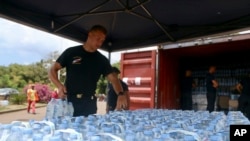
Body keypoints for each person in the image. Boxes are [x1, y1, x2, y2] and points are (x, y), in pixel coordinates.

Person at [48, 25, 128, 117]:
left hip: (89, 104)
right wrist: (59, 86)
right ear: (90, 34)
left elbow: (114, 79)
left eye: (102, 41)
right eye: (98, 38)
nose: (99, 43)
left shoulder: (101, 60)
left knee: (88, 130)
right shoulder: (72, 52)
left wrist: (121, 94)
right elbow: (52, 70)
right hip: (69, 102)